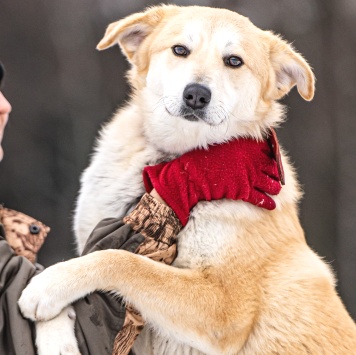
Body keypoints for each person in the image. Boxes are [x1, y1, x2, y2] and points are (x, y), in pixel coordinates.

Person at [0, 62, 282, 355]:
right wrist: (177, 191)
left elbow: (34, 306)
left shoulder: (10, 235)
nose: (5, 105)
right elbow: (89, 337)